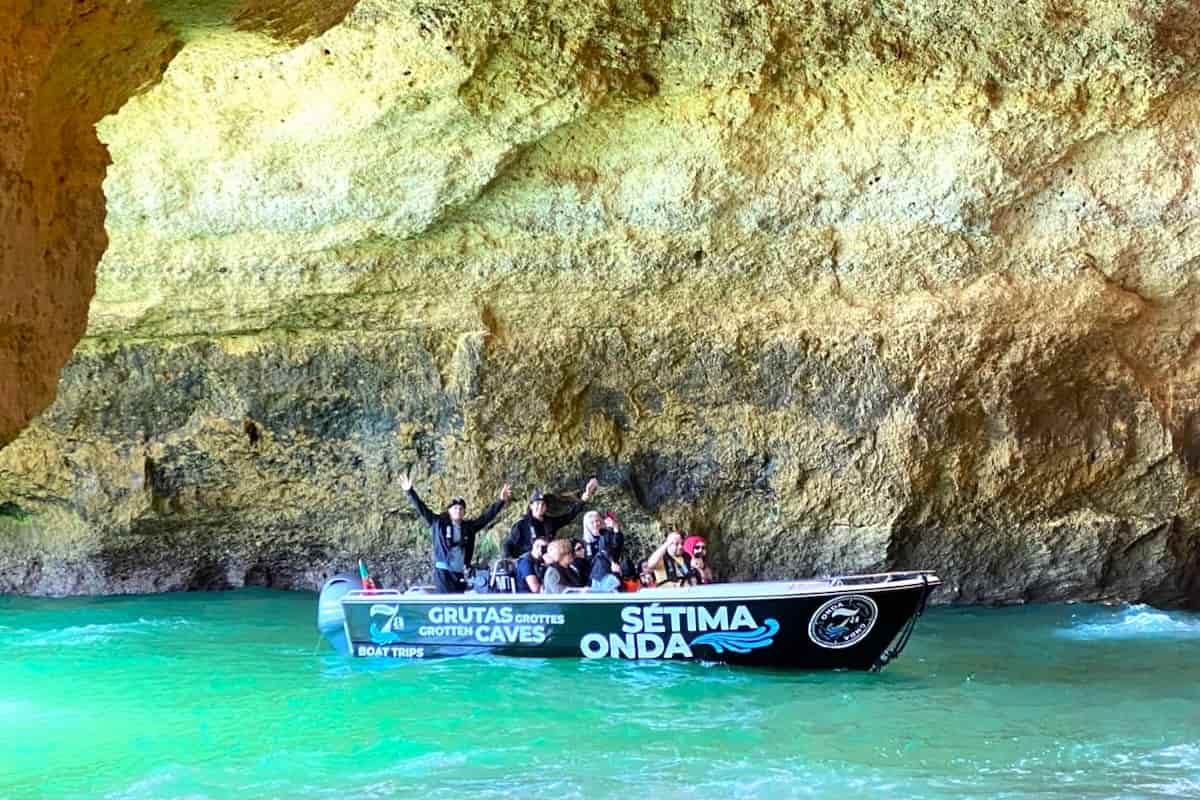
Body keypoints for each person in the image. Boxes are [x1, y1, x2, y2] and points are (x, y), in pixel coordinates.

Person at [400, 473, 511, 594]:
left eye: (461, 508)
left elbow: (486, 518)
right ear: (449, 511)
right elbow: (422, 509)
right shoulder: (438, 523)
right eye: (455, 508)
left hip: (459, 572)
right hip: (443, 572)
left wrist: (501, 501)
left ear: (464, 512)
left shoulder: (468, 527)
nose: (458, 510)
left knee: (459, 601)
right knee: (447, 602)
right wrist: (410, 492)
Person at [502, 479, 599, 558]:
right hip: (529, 561)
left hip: (548, 559)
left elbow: (569, 516)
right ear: (531, 506)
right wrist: (510, 560)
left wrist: (584, 498)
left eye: (543, 504)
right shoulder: (522, 525)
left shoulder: (549, 522)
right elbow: (507, 544)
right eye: (537, 504)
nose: (540, 507)